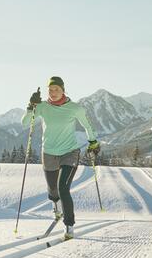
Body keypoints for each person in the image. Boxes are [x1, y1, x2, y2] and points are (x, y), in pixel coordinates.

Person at [23, 76, 100, 240]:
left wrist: (93, 142)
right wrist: (31, 107)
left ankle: (69, 226)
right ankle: (56, 209)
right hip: (49, 152)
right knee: (53, 190)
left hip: (70, 152)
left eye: (56, 89)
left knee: (63, 188)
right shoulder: (42, 107)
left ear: (63, 90)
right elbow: (25, 123)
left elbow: (87, 125)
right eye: (50, 90)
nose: (53, 92)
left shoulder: (74, 108)